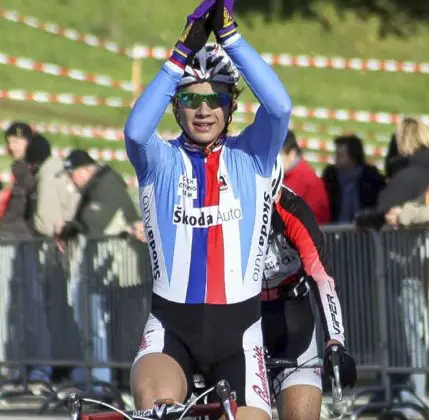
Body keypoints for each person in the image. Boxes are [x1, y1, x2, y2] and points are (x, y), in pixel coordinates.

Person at [124, 0, 291, 418]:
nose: (203, 110)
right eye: (191, 98)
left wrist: (231, 39)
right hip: (171, 329)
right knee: (156, 409)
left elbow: (280, 108)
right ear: (176, 106)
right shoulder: (159, 161)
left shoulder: (252, 156)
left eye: (215, 98)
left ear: (231, 107)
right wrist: (177, 57)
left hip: (239, 333)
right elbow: (135, 130)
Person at [262, 157, 356, 420]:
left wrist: (335, 341)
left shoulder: (294, 211)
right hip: (246, 318)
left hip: (292, 316)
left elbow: (322, 279)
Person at [322, 135, 385, 224]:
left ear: (353, 157)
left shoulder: (371, 178)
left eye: (340, 155)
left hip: (364, 232)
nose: (336, 158)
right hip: (334, 230)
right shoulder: (330, 176)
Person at [279, 130, 331, 224]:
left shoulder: (310, 181)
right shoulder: (275, 176)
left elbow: (316, 221)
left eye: (277, 156)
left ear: (291, 154)